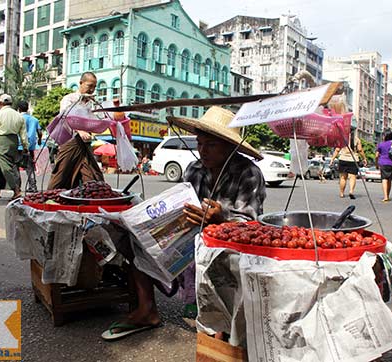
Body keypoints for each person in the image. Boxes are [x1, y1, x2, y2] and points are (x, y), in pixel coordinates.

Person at [101, 106, 266, 341]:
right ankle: (147, 309)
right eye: (200, 143)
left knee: (223, 257)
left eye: (210, 145)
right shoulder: (195, 169)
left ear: (229, 146)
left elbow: (251, 225)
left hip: (225, 244)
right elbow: (180, 204)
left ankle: (222, 327)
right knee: (131, 238)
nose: (202, 150)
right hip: (189, 237)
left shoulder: (249, 173)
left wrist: (221, 220)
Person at [48, 72, 104, 190]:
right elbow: (65, 116)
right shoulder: (69, 99)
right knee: (61, 173)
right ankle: (51, 198)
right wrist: (79, 130)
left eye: (94, 87)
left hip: (86, 143)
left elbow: (99, 118)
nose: (92, 90)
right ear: (81, 83)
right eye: (89, 86)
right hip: (70, 142)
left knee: (92, 176)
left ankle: (91, 200)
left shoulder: (92, 103)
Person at [330, 126, 367, 199]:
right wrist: (364, 158)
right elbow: (360, 150)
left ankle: (341, 193)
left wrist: (332, 159)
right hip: (353, 160)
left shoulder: (342, 139)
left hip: (343, 159)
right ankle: (351, 191)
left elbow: (337, 150)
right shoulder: (356, 139)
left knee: (343, 177)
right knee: (352, 177)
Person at [18, 100, 42, 192]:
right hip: (30, 146)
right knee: (30, 167)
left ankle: (17, 188)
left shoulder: (18, 118)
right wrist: (39, 140)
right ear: (27, 108)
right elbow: (39, 132)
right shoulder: (34, 119)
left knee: (16, 167)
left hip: (19, 146)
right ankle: (33, 186)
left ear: (19, 109)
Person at [375, 129, 392, 202]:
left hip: (383, 163)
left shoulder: (380, 144)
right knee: (389, 180)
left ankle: (385, 196)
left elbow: (376, 155)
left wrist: (376, 164)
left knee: (384, 179)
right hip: (391, 164)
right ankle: (388, 196)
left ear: (385, 136)